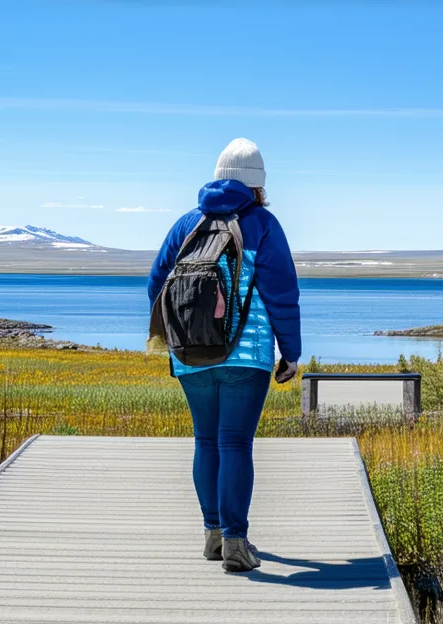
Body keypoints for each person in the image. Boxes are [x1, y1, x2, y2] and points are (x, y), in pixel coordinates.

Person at [146, 138, 301, 573]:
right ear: (259, 185)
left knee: (205, 440)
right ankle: (235, 541)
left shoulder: (186, 225)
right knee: (235, 442)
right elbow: (282, 295)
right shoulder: (264, 225)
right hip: (245, 356)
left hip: (189, 354)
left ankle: (213, 533)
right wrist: (290, 354)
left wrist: (173, 339)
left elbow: (156, 286)